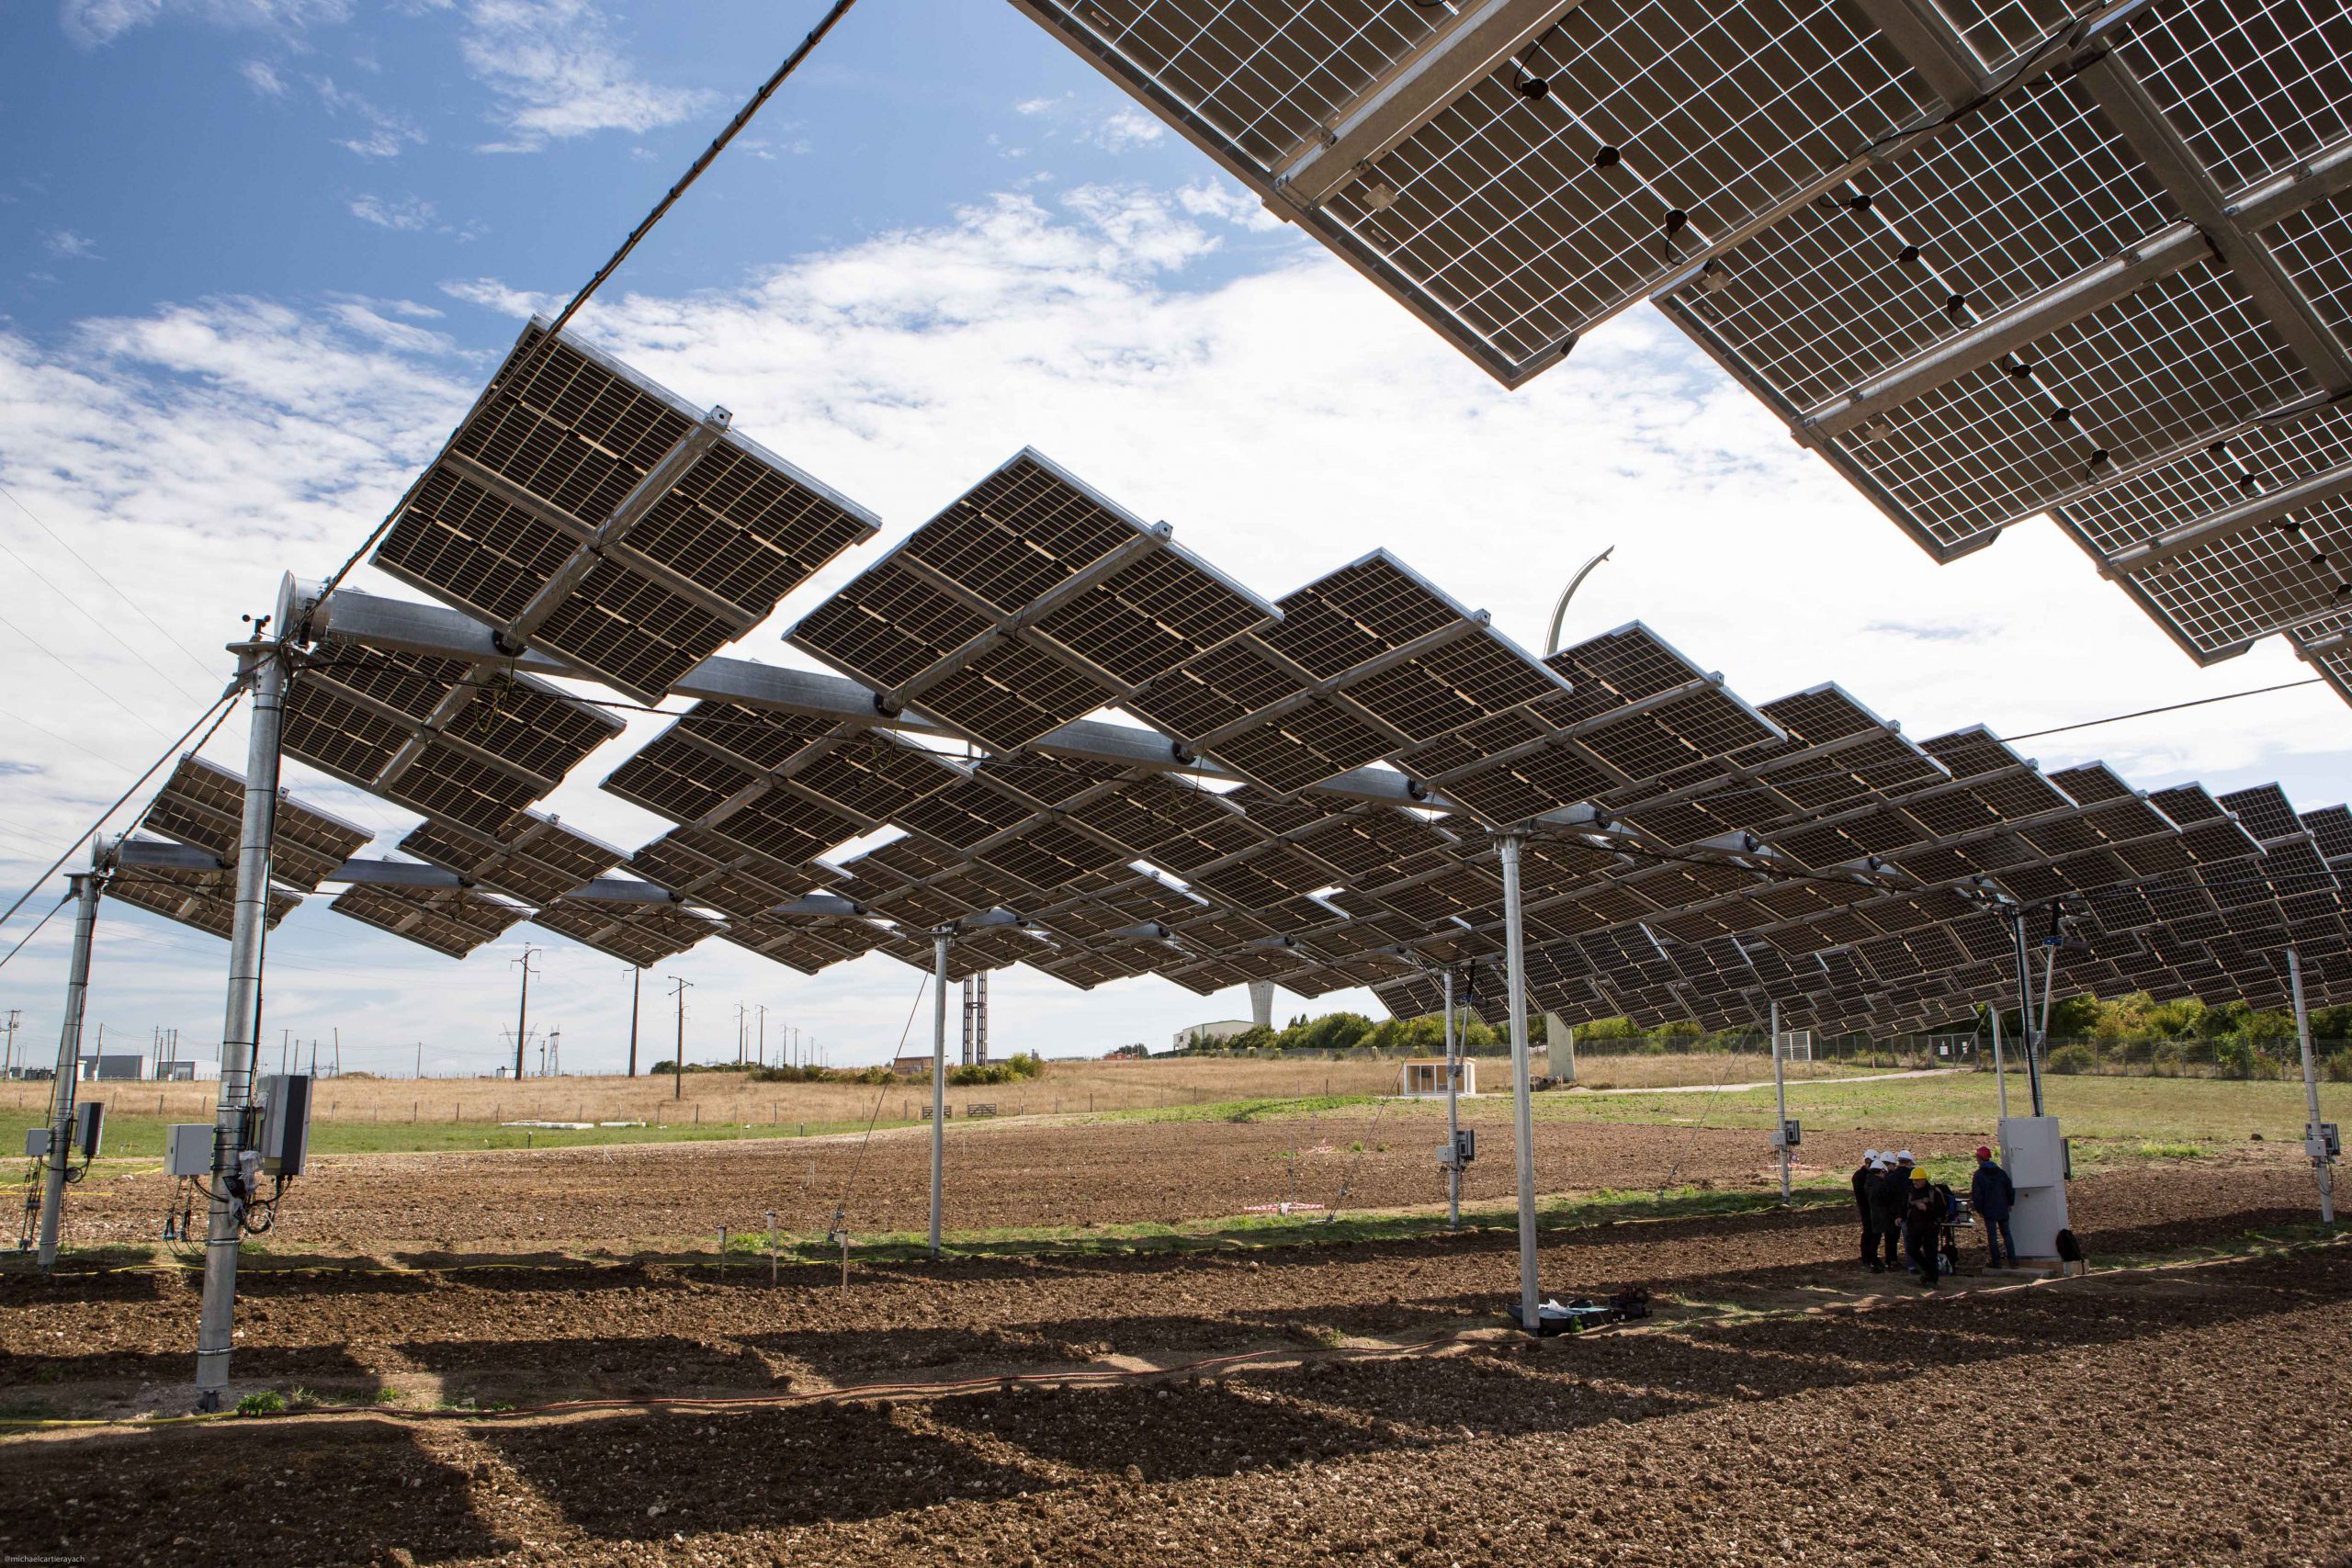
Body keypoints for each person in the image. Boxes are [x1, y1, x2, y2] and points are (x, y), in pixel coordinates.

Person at [1971, 1145, 2017, 1268]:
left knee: (1992, 1237)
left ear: (1979, 1158)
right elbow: (2010, 1189)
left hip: (1989, 1210)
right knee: (2007, 1234)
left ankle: (1996, 1262)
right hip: (2002, 1208)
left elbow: (1977, 1195)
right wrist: (2010, 1203)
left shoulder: (1979, 1175)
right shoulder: (2001, 1173)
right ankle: (2013, 1261)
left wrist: (1979, 1209)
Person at [1902, 1167, 1943, 1287]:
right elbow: (1904, 1206)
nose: (1915, 1182)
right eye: (1913, 1180)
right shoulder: (1910, 1192)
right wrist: (1900, 1217)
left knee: (1931, 1253)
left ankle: (1933, 1280)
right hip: (1914, 1228)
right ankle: (1927, 1271)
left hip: (1930, 1229)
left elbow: (1941, 1211)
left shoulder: (1934, 1192)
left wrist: (1927, 1209)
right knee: (1912, 1250)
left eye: (1917, 1180)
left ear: (1924, 1179)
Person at [1867, 1156, 1905, 1272]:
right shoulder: (1881, 1185)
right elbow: (1889, 1200)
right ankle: (1889, 1262)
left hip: (1874, 1214)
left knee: (1875, 1239)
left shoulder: (1868, 1182)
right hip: (1885, 1215)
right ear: (1882, 1171)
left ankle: (1873, 1262)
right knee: (1889, 1239)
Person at [1853, 1149, 1883, 1270]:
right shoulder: (1861, 1176)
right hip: (1867, 1208)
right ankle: (1868, 1257)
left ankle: (1871, 1256)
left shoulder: (1863, 1175)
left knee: (1874, 1233)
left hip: (1871, 1208)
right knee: (1869, 1232)